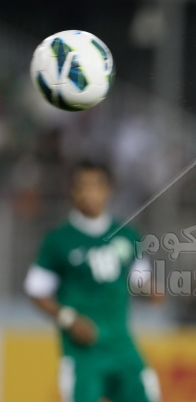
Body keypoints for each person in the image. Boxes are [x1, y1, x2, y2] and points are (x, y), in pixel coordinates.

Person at [23, 161, 161, 402]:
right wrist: (68, 318)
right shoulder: (58, 240)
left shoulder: (126, 234)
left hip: (121, 344)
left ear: (107, 190)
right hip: (83, 352)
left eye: (95, 186)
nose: (89, 193)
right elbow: (36, 291)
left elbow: (139, 277)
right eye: (82, 186)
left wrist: (151, 290)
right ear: (72, 192)